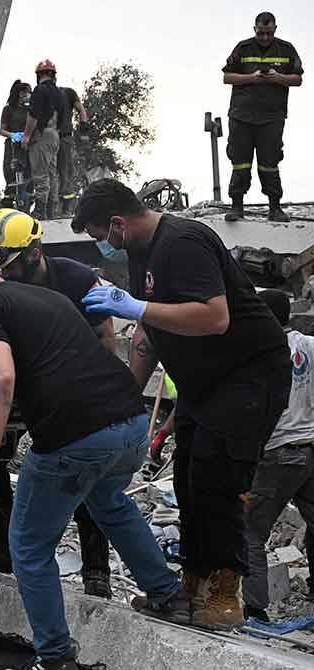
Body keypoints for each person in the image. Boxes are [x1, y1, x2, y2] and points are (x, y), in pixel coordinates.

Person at [0, 242, 189, 670]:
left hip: (76, 438)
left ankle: (54, 657)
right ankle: (168, 595)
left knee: (29, 546)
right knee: (110, 502)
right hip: (129, 425)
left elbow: (0, 381)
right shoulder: (47, 296)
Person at [75, 178, 292, 631]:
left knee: (216, 476)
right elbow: (148, 333)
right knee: (189, 478)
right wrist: (124, 396)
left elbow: (214, 317)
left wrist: (136, 308)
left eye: (99, 235)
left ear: (118, 224)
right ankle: (192, 583)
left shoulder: (183, 242)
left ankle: (223, 588)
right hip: (203, 381)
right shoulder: (140, 252)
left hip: (247, 374)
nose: (102, 246)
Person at [0, 209, 114, 598]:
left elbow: (104, 338)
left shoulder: (74, 279)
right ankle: (2, 547)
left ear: (34, 252)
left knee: (84, 475)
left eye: (6, 266)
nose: (2, 276)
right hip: (19, 391)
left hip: (68, 393)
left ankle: (96, 570)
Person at [243, 289, 314, 622]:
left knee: (252, 532)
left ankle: (255, 608)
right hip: (310, 448)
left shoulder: (262, 351)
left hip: (278, 452)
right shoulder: (310, 345)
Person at [221, 11, 303, 223]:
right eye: (260, 33)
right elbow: (227, 77)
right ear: (254, 29)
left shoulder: (286, 49)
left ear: (275, 29)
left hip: (272, 117)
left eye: (268, 33)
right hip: (241, 116)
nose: (264, 37)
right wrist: (251, 77)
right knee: (240, 163)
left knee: (270, 162)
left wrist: (278, 77)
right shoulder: (243, 47)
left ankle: (275, 208)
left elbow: (297, 79)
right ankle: (236, 206)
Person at [23, 61, 65, 220]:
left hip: (42, 135)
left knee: (40, 174)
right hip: (55, 135)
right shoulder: (59, 93)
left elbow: (33, 115)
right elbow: (63, 117)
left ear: (38, 75)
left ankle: (40, 211)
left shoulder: (39, 91)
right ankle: (52, 210)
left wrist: (27, 135)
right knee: (51, 173)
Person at [55, 82, 89, 216]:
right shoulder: (43, 93)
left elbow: (81, 110)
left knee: (66, 172)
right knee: (49, 173)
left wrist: (84, 131)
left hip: (64, 137)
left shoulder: (68, 92)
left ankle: (67, 209)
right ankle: (52, 207)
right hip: (47, 139)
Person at [0, 80, 33, 211]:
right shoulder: (8, 109)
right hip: (12, 147)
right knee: (11, 177)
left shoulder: (30, 109)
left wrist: (27, 136)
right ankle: (8, 206)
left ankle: (26, 207)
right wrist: (13, 135)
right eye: (27, 92)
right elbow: (1, 130)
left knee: (29, 178)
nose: (29, 95)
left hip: (27, 146)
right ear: (20, 93)